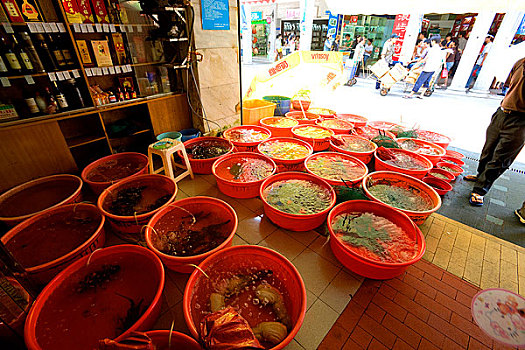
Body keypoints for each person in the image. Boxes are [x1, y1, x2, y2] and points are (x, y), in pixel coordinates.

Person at [464, 57, 525, 208]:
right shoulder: (521, 62)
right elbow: (510, 83)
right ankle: (480, 176)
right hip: (502, 113)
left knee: (500, 158)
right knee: (487, 150)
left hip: (521, 121)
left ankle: (480, 190)